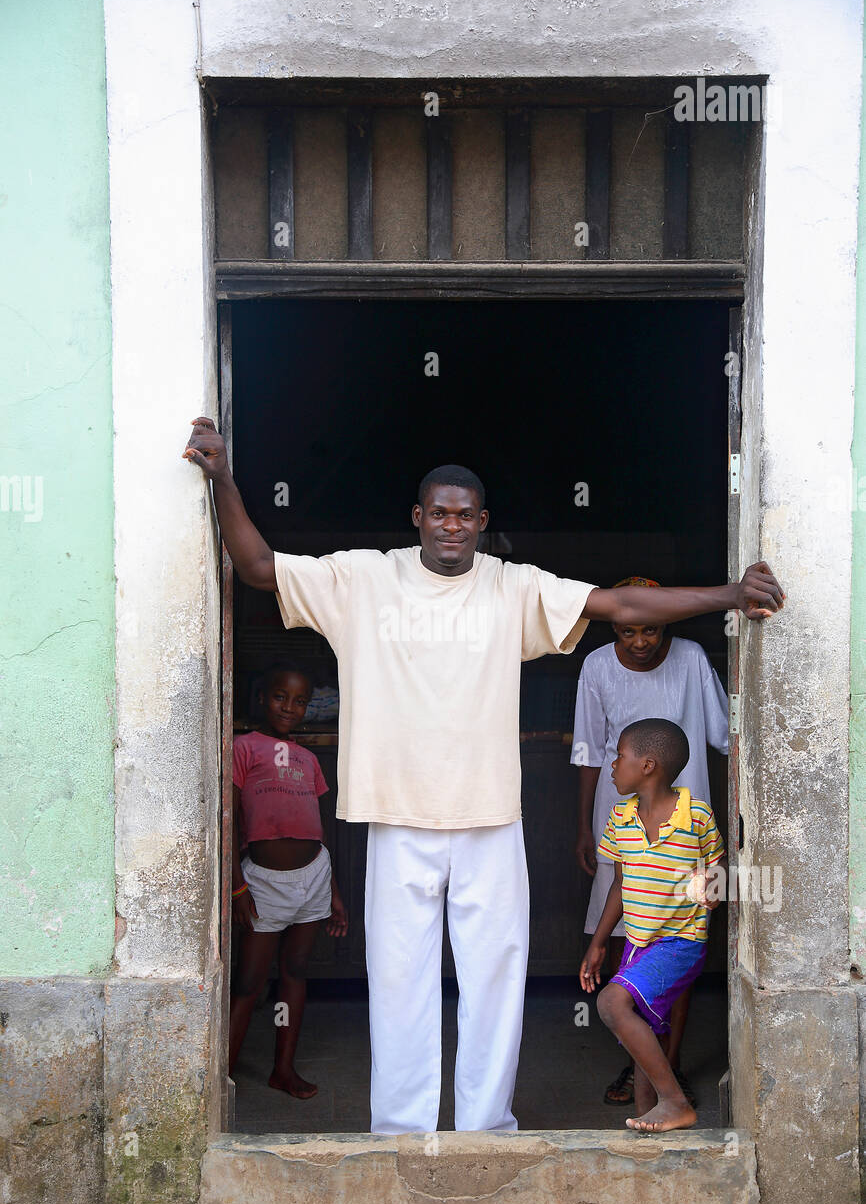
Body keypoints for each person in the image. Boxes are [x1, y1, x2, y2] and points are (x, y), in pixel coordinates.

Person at [183, 415, 784, 1135]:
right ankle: (402, 1135)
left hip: (491, 820)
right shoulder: (363, 578)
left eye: (465, 516)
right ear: (418, 517)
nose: (451, 526)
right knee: (399, 984)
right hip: (396, 817)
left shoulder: (512, 588)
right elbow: (258, 568)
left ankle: (484, 1130)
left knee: (495, 982)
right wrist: (223, 478)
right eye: (438, 513)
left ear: (482, 523)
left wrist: (727, 594)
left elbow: (618, 605)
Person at [571, 577, 728, 1107]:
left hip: (682, 824)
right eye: (628, 630)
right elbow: (592, 752)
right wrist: (581, 827)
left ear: (669, 622)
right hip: (621, 815)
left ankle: (673, 1065)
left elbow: (727, 735)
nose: (641, 641)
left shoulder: (690, 657)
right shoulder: (595, 666)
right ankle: (641, 1061)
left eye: (652, 629)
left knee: (678, 937)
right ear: (613, 624)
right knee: (628, 936)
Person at [579, 718, 727, 1132]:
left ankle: (675, 1101)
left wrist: (710, 887)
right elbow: (619, 885)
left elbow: (717, 867)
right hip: (637, 944)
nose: (612, 765)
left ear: (648, 765)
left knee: (611, 1004)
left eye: (619, 756)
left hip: (680, 942)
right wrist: (599, 942)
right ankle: (651, 1124)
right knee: (640, 1034)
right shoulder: (620, 818)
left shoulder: (695, 814)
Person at [230, 662, 348, 1099]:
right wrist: (237, 886)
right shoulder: (243, 748)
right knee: (248, 983)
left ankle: (283, 1068)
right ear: (263, 698)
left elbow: (319, 829)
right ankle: (221, 1075)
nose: (289, 707)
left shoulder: (308, 758)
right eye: (281, 697)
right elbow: (229, 822)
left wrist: (333, 892)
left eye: (300, 701)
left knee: (294, 973)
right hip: (262, 883)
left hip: (314, 875)